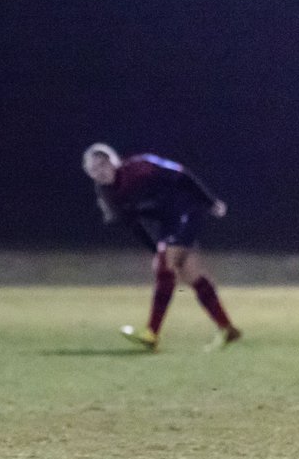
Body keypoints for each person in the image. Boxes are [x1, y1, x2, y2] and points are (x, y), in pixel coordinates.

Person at [83, 143, 242, 352]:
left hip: (187, 209)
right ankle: (227, 329)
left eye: (103, 164)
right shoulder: (108, 194)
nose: (100, 171)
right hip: (169, 222)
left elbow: (181, 174)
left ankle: (151, 333)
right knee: (190, 276)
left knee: (164, 267)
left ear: (114, 161)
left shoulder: (140, 167)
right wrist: (154, 250)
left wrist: (209, 201)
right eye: (94, 169)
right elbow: (134, 226)